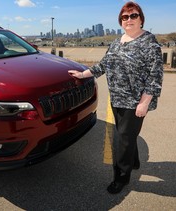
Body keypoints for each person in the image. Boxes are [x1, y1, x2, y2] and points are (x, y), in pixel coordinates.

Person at [68, 1, 163, 194]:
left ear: (141, 19)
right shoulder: (116, 42)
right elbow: (104, 65)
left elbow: (155, 76)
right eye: (125, 17)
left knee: (122, 140)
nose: (129, 19)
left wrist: (144, 102)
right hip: (117, 98)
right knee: (126, 135)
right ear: (121, 21)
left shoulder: (149, 43)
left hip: (135, 101)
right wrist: (83, 74)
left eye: (133, 15)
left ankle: (121, 177)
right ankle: (134, 160)